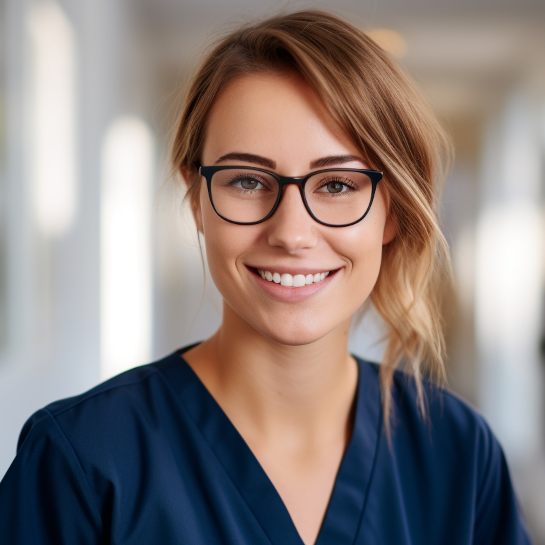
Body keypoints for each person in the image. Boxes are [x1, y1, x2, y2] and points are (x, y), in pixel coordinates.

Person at [0, 9, 533, 545]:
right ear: (197, 199)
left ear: (391, 210)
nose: (292, 233)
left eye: (338, 185)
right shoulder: (82, 461)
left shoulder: (460, 456)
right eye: (249, 181)